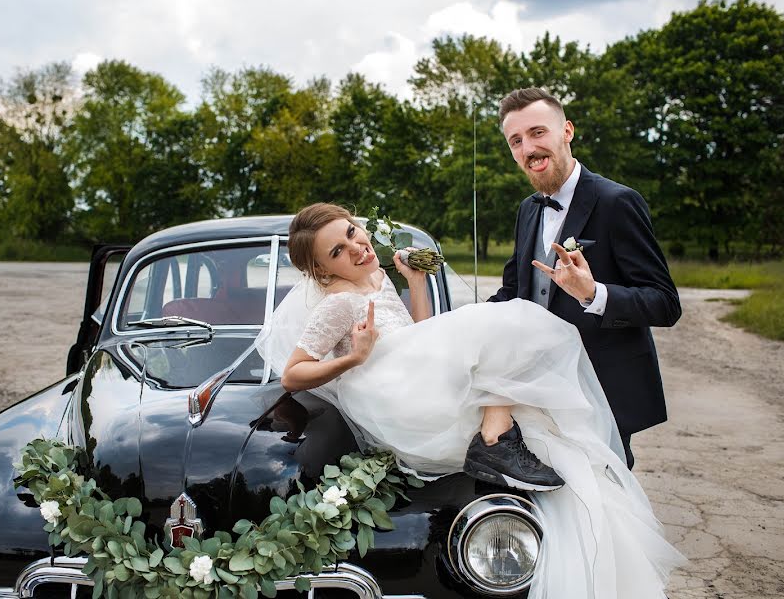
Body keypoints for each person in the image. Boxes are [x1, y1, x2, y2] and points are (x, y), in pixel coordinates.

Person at [256, 202, 684, 598]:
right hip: (399, 404)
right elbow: (293, 374)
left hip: (413, 382)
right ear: (321, 268)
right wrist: (353, 357)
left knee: (552, 432)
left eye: (352, 232)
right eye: (337, 250)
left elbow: (420, 334)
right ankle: (496, 437)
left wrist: (417, 284)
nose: (355, 246)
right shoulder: (338, 304)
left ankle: (499, 438)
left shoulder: (375, 278)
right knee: (508, 321)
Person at [489, 88, 681, 469]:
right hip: (541, 390)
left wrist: (594, 294)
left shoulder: (617, 202)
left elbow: (665, 302)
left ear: (567, 132)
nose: (528, 148)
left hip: (603, 393)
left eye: (538, 132)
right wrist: (461, 326)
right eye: (516, 141)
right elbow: (514, 292)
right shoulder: (527, 210)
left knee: (608, 506)